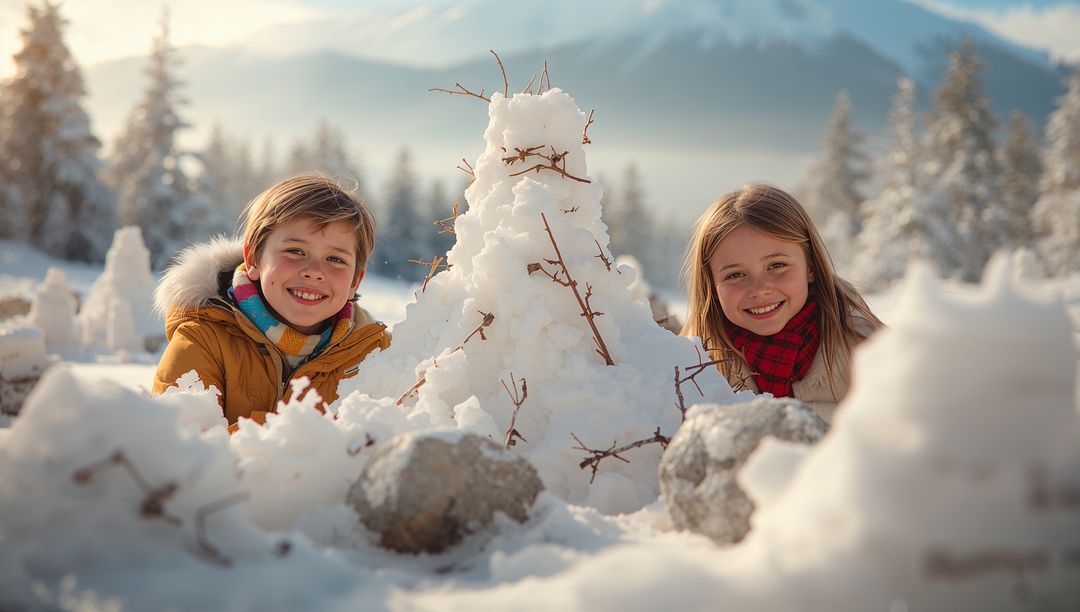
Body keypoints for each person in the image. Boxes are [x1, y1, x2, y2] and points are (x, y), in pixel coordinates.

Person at [153, 175, 391, 432]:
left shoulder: (373, 352)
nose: (314, 271)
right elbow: (180, 447)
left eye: (335, 259)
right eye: (295, 251)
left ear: (356, 280)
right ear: (254, 259)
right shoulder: (203, 338)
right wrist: (300, 435)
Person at [682, 183, 883, 422]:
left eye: (776, 266)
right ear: (712, 287)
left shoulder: (866, 351)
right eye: (735, 275)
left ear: (810, 267)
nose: (759, 290)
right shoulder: (696, 365)